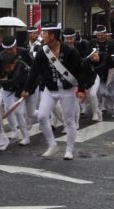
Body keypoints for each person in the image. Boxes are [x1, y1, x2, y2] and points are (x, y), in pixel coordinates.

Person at [26, 24, 94, 160]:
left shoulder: (70, 51)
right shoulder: (42, 51)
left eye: (45, 34)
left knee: (69, 120)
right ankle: (52, 145)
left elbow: (79, 72)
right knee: (42, 116)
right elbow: (34, 72)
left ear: (52, 36)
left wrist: (81, 89)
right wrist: (26, 89)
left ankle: (69, 150)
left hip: (68, 90)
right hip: (50, 89)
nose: (42, 36)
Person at [0, 51, 31, 145]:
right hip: (14, 89)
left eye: (9, 67)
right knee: (16, 111)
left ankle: (43, 115)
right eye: (5, 67)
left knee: (31, 112)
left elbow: (14, 81)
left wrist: (1, 81)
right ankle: (24, 136)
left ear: (15, 62)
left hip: (29, 88)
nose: (7, 69)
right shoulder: (1, 65)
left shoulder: (21, 67)